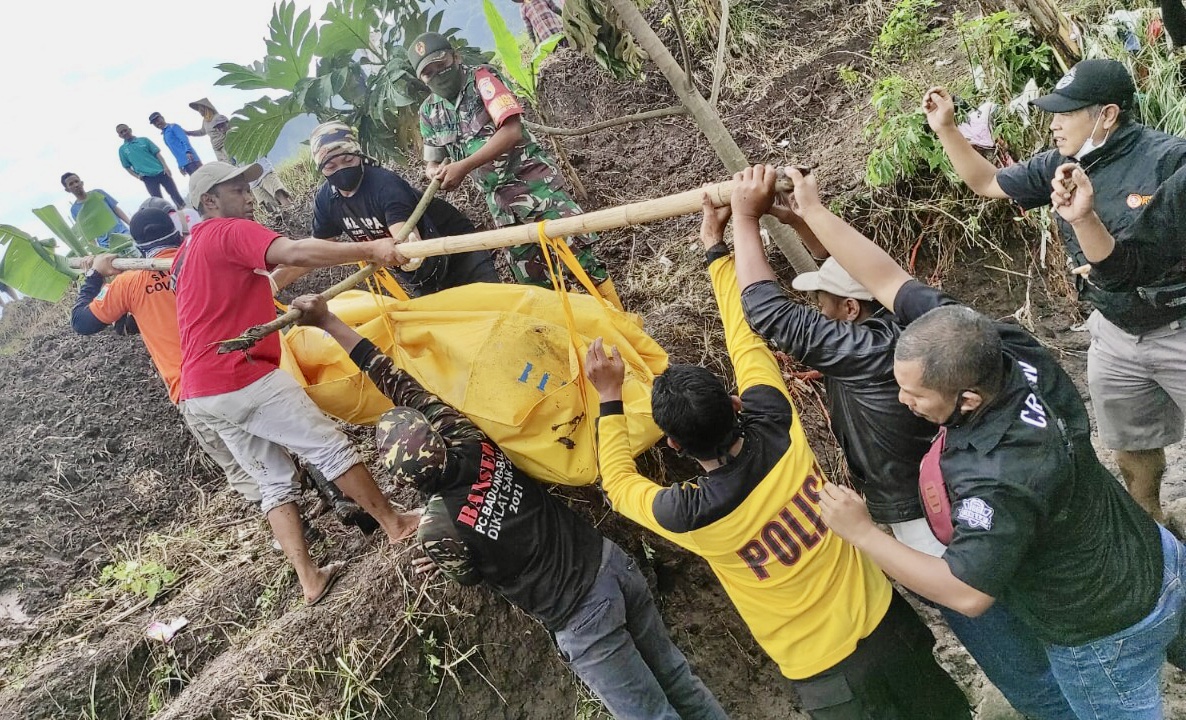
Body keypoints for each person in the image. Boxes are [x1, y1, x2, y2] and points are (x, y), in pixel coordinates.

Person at [763, 163, 1186, 719]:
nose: (904, 401)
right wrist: (813, 214)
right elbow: (887, 280)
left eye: (916, 396)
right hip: (1157, 561)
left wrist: (863, 533)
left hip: (1099, 630)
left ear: (965, 401)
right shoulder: (999, 347)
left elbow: (967, 593)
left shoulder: (997, 473)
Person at [584, 180, 971, 719]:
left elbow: (619, 485)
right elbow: (746, 336)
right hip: (887, 624)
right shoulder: (777, 421)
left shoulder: (687, 514)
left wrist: (608, 399)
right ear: (736, 401)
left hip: (825, 677)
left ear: (672, 445)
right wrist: (717, 252)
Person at [290, 292, 728, 720]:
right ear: (434, 431)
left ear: (401, 477)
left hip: (579, 617)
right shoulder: (469, 440)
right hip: (609, 564)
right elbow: (391, 375)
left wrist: (438, 554)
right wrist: (328, 321)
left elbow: (467, 575)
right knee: (676, 675)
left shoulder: (440, 530)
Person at [733, 194, 1075, 719]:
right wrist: (804, 219)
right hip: (967, 493)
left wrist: (743, 217)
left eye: (823, 299)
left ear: (850, 310)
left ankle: (1048, 705)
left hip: (928, 520)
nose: (816, 309)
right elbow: (878, 274)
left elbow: (766, 312)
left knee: (1004, 644)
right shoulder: (926, 338)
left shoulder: (866, 355)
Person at [923, 58, 1186, 523]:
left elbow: (1132, 264)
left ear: (1106, 114)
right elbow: (985, 182)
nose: (1054, 122)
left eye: (1066, 112)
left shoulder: (1169, 161)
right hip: (1115, 332)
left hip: (1178, 327)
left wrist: (1084, 218)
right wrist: (945, 128)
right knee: (1129, 445)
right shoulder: (1059, 164)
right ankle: (1156, 525)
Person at [172, 161, 421, 604]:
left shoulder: (189, 251)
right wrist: (372, 249)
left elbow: (244, 291)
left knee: (273, 481)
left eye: (248, 188)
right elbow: (296, 253)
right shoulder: (227, 231)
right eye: (237, 190)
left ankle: (309, 578)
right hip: (241, 376)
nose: (249, 196)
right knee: (328, 447)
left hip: (203, 392)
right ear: (210, 202)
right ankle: (395, 524)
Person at [409, 32, 622, 309]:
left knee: (581, 261)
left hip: (536, 188)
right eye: (428, 72)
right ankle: (574, 340)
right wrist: (436, 172)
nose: (438, 74)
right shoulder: (429, 111)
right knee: (535, 282)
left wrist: (464, 165)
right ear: (422, 79)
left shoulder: (483, 80)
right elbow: (432, 161)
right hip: (502, 208)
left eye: (441, 64)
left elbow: (511, 131)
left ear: (456, 57)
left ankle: (623, 328)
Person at [269, 121, 498, 296]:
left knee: (493, 305)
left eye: (348, 160)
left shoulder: (385, 186)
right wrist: (273, 283)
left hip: (456, 249)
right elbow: (320, 249)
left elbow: (406, 240)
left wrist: (392, 249)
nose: (341, 169)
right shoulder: (326, 201)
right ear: (321, 169)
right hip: (420, 274)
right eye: (331, 165)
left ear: (359, 156)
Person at [116, 124, 186, 209]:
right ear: (119, 135)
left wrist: (166, 167)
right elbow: (126, 167)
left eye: (125, 130)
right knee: (158, 201)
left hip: (161, 171)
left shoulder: (144, 140)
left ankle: (185, 212)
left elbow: (157, 154)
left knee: (174, 193)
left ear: (130, 129)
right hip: (147, 178)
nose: (124, 133)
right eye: (121, 132)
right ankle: (168, 217)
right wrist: (137, 176)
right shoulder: (122, 150)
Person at [61, 172, 130, 248]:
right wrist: (95, 249)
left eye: (77, 181)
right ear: (67, 189)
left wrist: (131, 224)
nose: (76, 185)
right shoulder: (74, 210)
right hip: (106, 244)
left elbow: (115, 209)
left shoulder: (98, 193)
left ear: (82, 183)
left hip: (124, 234)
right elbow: (86, 232)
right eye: (71, 184)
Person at [150, 112, 202, 176]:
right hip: (184, 163)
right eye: (154, 123)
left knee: (203, 180)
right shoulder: (165, 135)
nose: (157, 123)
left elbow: (184, 139)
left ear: (162, 118)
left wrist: (188, 151)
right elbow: (175, 151)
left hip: (191, 159)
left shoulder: (173, 127)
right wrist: (180, 165)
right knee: (197, 182)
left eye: (157, 120)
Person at [186, 97, 233, 164]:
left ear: (205, 108)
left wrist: (223, 128)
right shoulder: (205, 121)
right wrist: (188, 133)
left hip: (225, 145)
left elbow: (229, 129)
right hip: (216, 148)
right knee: (226, 165)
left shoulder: (218, 117)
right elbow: (201, 132)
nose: (199, 111)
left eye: (200, 109)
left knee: (233, 163)